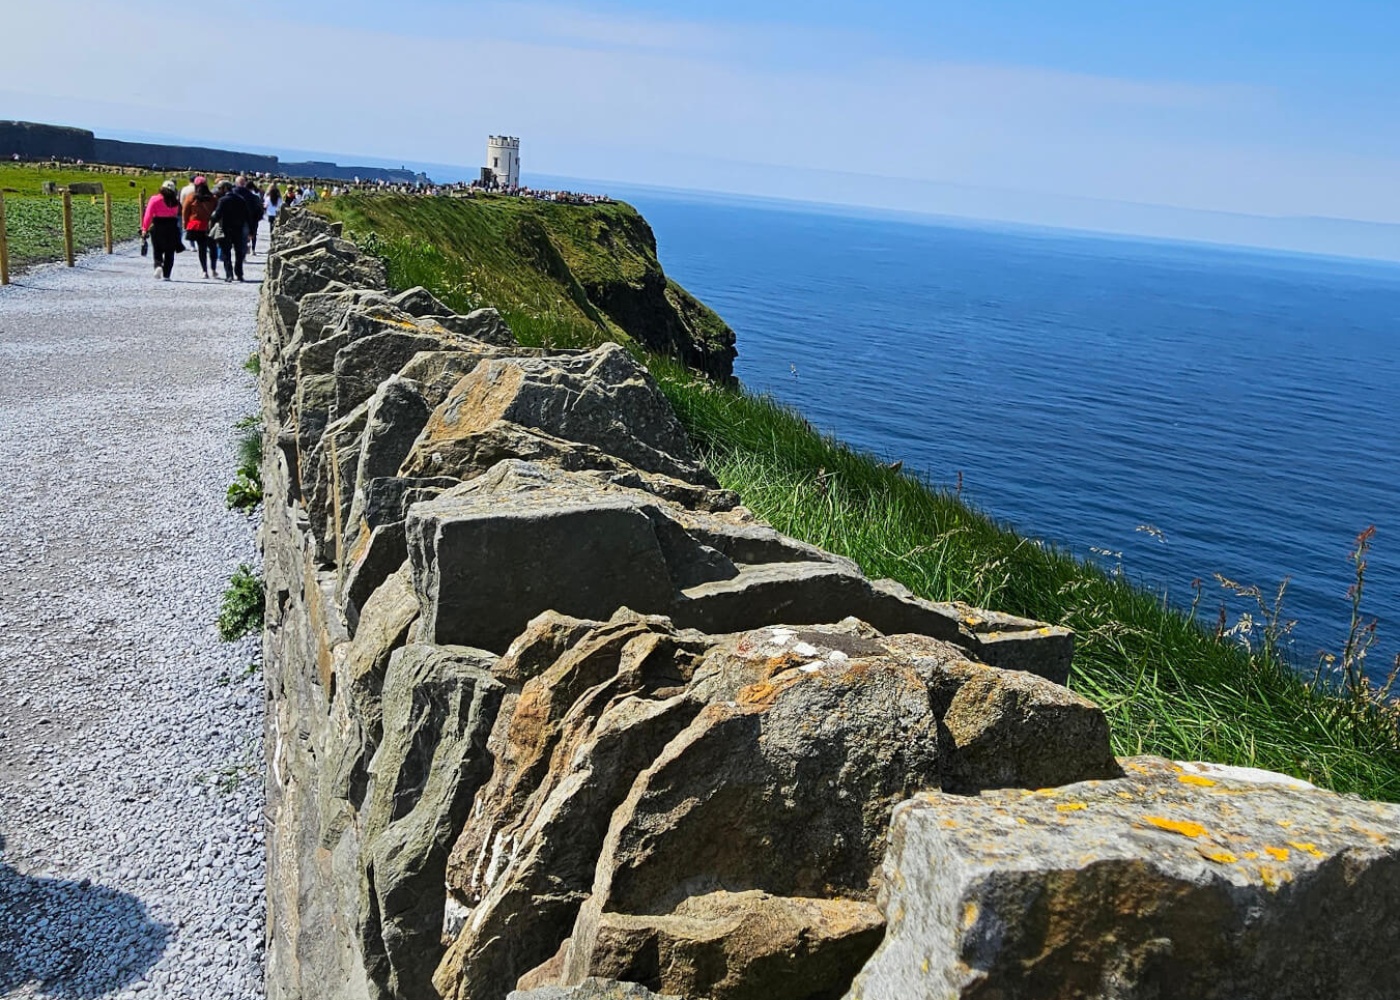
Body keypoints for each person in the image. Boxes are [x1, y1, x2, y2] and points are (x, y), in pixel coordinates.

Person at [141, 180, 184, 281]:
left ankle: (158, 265)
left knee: (157, 249)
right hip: (172, 227)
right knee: (170, 252)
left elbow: (148, 215)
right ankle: (167, 275)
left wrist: (144, 228)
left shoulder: (155, 199)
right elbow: (177, 214)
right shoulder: (175, 202)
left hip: (158, 225)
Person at [210, 180, 250, 282]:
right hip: (238, 229)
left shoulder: (223, 200)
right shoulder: (241, 199)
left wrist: (212, 221)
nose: (219, 191)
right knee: (238, 252)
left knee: (226, 252)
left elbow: (217, 215)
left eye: (220, 188)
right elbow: (247, 215)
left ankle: (229, 274)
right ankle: (239, 274)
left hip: (225, 228)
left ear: (225, 189)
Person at [182, 178, 219, 279]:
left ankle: (204, 271)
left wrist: (185, 224)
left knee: (202, 249)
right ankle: (213, 269)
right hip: (210, 226)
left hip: (197, 226)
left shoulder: (191, 197)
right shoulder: (213, 198)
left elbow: (185, 211)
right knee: (213, 248)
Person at [234, 176, 264, 254]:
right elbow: (260, 210)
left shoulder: (234, 194)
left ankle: (242, 249)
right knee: (251, 235)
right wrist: (257, 219)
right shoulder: (254, 197)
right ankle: (251, 249)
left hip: (239, 219)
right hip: (251, 220)